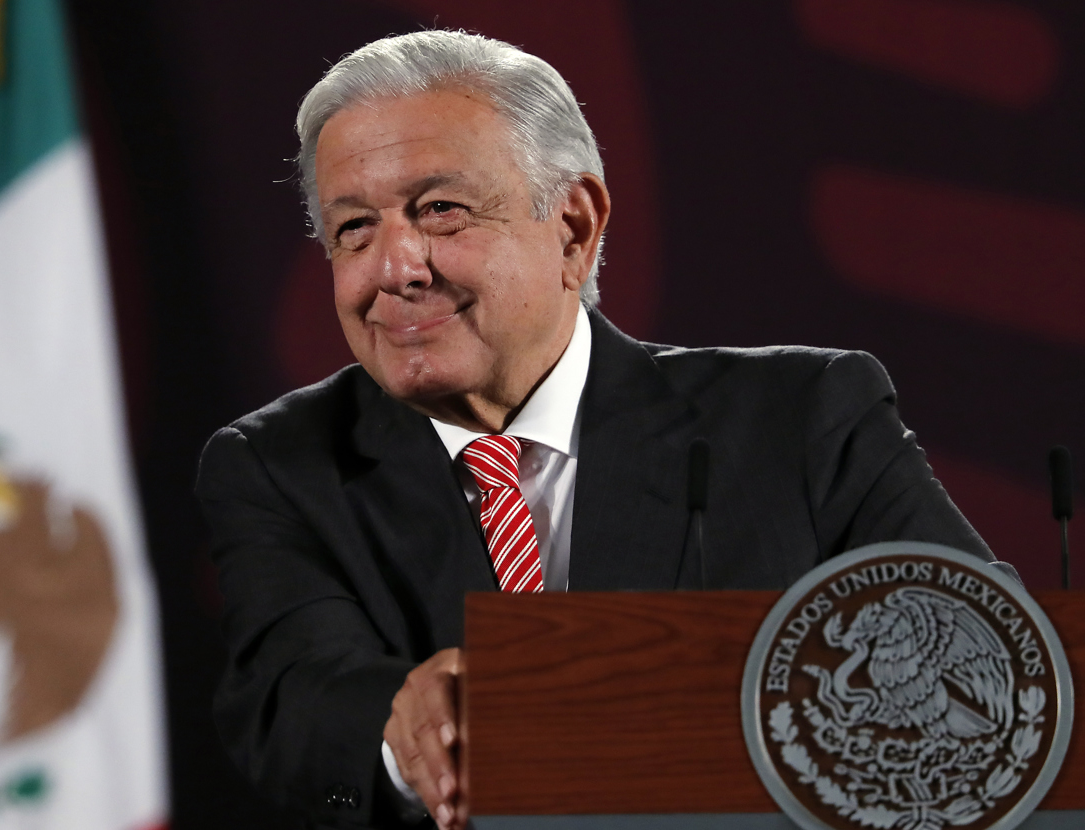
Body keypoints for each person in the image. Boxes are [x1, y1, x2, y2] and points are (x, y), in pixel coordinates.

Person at [195, 29, 1015, 830]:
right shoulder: (278, 466)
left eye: (440, 210)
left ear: (575, 228)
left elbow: (1001, 667)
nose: (394, 268)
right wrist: (398, 734)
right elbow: (293, 703)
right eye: (353, 229)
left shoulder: (803, 418)